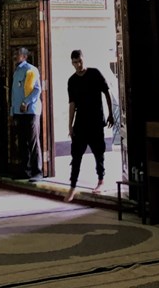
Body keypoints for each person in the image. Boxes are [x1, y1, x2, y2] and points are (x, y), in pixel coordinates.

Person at [65, 49, 115, 202]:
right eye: (75, 62)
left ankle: (101, 180)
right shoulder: (72, 81)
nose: (78, 65)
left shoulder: (94, 74)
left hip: (95, 120)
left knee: (99, 153)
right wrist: (70, 125)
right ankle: (72, 185)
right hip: (80, 122)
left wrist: (110, 114)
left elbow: (107, 92)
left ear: (83, 59)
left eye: (79, 61)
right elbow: (72, 104)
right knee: (76, 155)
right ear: (72, 63)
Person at [11, 46, 42, 180]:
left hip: (30, 111)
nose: (15, 56)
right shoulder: (16, 71)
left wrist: (26, 102)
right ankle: (25, 170)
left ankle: (37, 171)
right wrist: (13, 111)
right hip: (18, 112)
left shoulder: (31, 69)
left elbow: (37, 89)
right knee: (22, 142)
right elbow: (14, 93)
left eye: (17, 54)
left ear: (24, 56)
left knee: (33, 142)